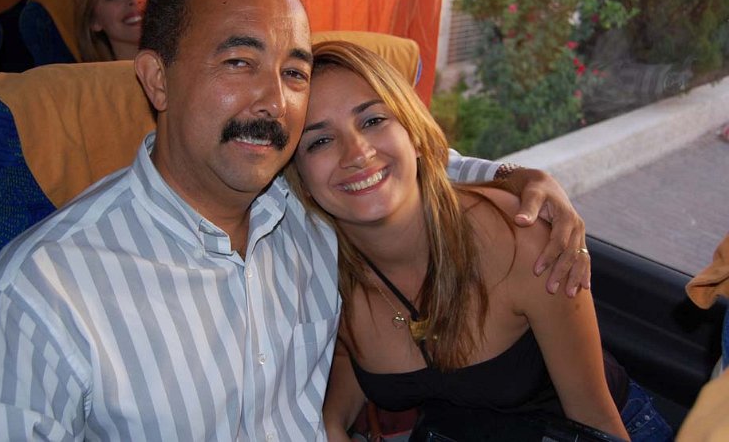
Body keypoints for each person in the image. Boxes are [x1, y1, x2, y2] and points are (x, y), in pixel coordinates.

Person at [0, 0, 590, 440]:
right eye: (239, 62)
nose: (274, 101)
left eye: (294, 72)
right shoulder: (30, 303)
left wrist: (525, 181)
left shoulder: (314, 206)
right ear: (158, 81)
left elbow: (422, 166)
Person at [286, 40, 672, 441]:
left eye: (372, 120)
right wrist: (331, 422)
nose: (356, 153)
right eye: (320, 141)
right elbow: (354, 355)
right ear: (302, 182)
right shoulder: (328, 274)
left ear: (414, 134)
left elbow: (597, 424)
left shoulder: (520, 241)